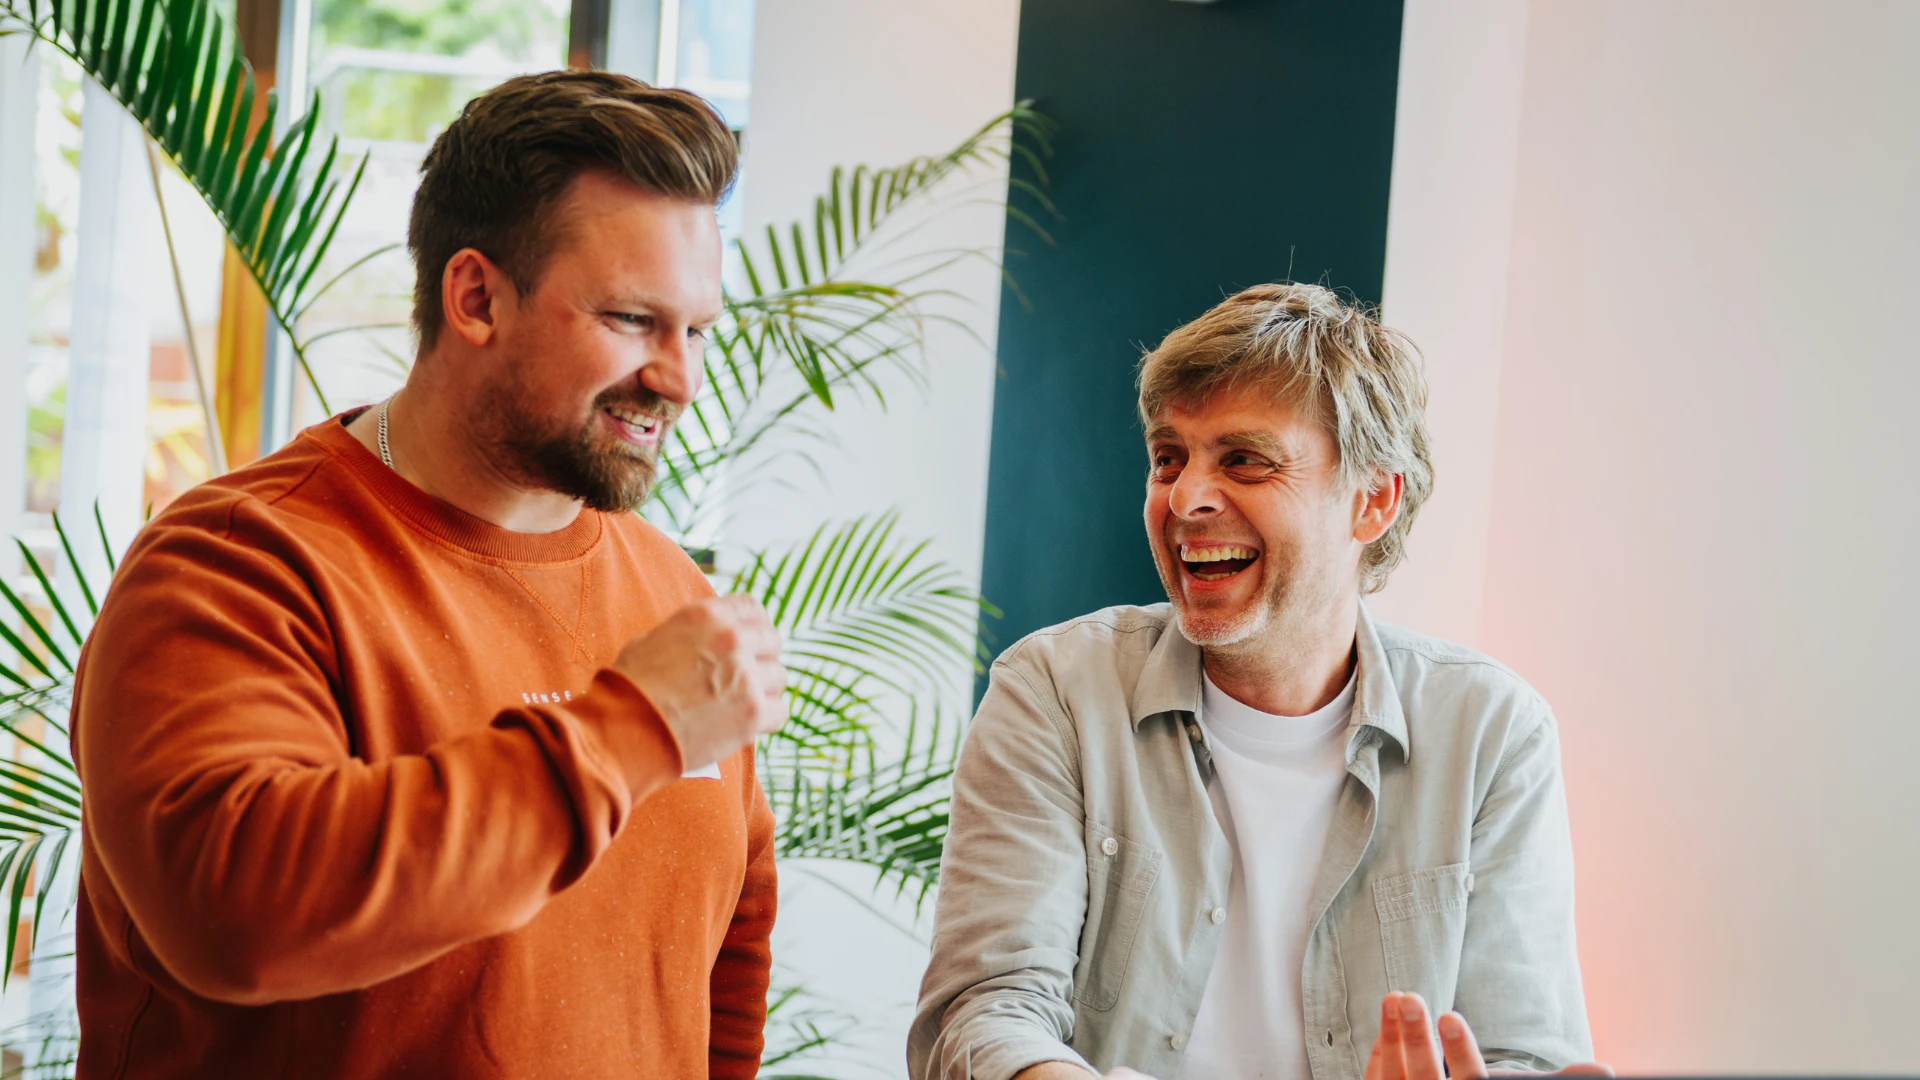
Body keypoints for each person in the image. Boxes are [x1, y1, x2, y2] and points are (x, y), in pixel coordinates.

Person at [70, 71, 786, 1078]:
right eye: (633, 320)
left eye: (696, 329)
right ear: (477, 297)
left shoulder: (676, 595)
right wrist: (638, 730)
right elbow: (234, 910)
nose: (678, 377)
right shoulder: (240, 564)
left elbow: (727, 948)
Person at [910, 284, 1604, 1080]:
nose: (1186, 498)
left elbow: (1527, 1053)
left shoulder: (1492, 731)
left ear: (1373, 500)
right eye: (1168, 458)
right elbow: (985, 1011)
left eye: (1243, 460)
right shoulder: (1057, 691)